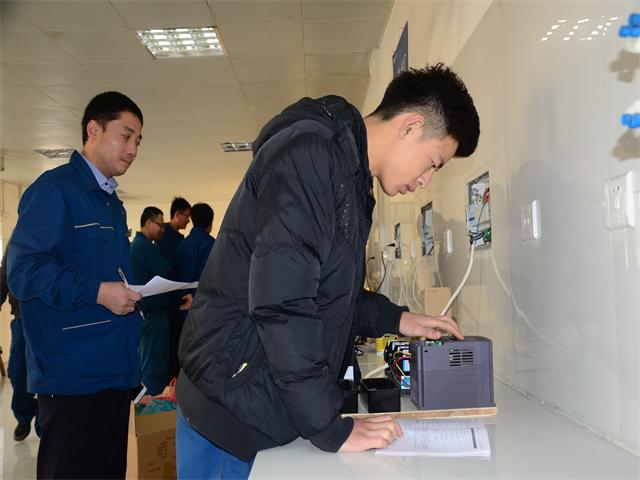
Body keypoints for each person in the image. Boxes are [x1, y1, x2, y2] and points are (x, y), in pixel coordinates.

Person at [176, 64, 480, 478]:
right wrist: (329, 428)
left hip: (255, 404)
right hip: (228, 414)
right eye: (432, 162)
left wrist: (399, 319)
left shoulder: (350, 179)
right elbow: (284, 302)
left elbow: (327, 292)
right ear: (410, 126)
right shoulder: (311, 156)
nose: (425, 180)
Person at [8, 91, 144, 479]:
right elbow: (24, 271)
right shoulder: (54, 191)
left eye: (138, 141)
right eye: (126, 136)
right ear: (93, 130)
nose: (133, 149)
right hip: (73, 377)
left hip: (114, 372)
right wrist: (98, 292)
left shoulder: (111, 203)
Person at [131, 207, 192, 395]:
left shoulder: (144, 246)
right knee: (154, 368)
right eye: (159, 224)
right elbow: (165, 269)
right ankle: (151, 408)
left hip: (152, 314)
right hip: (153, 315)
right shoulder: (143, 247)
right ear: (148, 222)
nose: (162, 229)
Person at [0, 242, 40, 442]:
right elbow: (4, 274)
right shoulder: (15, 240)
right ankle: (24, 415)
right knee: (17, 372)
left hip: (48, 319)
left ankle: (43, 424)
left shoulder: (55, 233)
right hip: (21, 318)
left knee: (45, 373)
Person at [176, 202, 215, 284]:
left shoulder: (182, 244)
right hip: (202, 291)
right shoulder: (211, 244)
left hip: (182, 291)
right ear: (210, 223)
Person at [156, 196, 191, 276]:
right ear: (177, 215)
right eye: (187, 216)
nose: (188, 220)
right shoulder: (163, 234)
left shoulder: (179, 237)